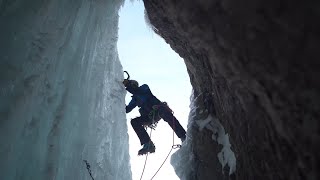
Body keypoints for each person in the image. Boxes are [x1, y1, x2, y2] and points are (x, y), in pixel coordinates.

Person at [123, 79, 186, 155]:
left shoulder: (144, 88)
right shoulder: (135, 99)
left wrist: (127, 86)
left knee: (165, 113)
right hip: (149, 116)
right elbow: (127, 109)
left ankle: (183, 136)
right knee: (134, 122)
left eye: (132, 85)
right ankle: (147, 143)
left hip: (158, 110)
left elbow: (139, 93)